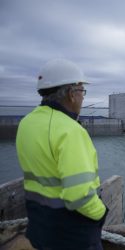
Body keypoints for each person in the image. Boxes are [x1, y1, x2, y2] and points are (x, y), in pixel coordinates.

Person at [16, 59, 107, 250]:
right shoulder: (70, 130)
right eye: (82, 91)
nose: (83, 97)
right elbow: (79, 196)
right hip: (70, 234)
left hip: (39, 226)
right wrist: (101, 213)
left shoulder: (27, 123)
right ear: (71, 94)